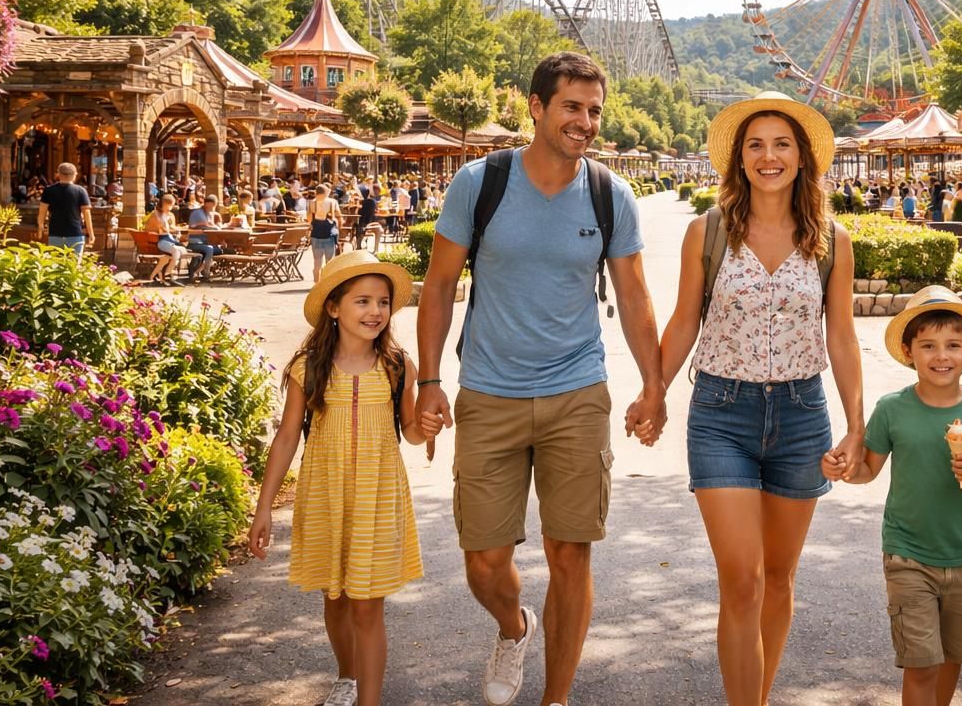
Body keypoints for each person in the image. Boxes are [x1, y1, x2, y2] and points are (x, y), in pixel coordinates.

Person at [414, 51, 665, 706]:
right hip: (489, 392)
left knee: (570, 553)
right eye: (572, 107)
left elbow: (635, 298)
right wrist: (430, 381)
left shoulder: (611, 194)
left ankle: (555, 698)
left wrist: (655, 385)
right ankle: (512, 625)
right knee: (484, 562)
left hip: (577, 391)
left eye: (594, 111)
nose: (585, 122)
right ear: (536, 106)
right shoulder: (480, 182)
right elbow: (440, 286)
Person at [656, 91, 864, 706]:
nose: (768, 156)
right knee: (741, 580)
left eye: (781, 144)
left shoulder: (831, 239)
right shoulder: (709, 232)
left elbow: (844, 337)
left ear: (802, 159)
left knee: (778, 579)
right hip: (721, 414)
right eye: (755, 145)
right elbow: (683, 322)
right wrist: (654, 393)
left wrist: (856, 425)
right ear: (739, 159)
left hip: (803, 415)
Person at [249, 251, 441, 706]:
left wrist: (425, 428)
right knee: (335, 597)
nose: (375, 311)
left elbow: (410, 432)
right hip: (324, 494)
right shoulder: (307, 368)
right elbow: (286, 437)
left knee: (367, 603)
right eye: (362, 301)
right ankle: (347, 676)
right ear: (333, 308)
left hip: (378, 495)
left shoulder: (398, 367)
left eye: (383, 302)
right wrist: (263, 508)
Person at [825, 285, 962, 706]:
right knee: (922, 663)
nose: (941, 356)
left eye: (952, 345)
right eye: (928, 345)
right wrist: (842, 469)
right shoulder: (892, 409)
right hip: (907, 555)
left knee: (950, 660)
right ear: (909, 352)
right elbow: (868, 471)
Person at [37, 162, 95, 259]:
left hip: (55, 233)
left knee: (55, 266)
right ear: (74, 175)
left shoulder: (49, 190)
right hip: (75, 233)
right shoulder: (81, 191)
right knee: (73, 266)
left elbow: (42, 212)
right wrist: (91, 233)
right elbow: (86, 214)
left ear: (58, 174)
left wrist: (40, 229)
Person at [143, 193, 193, 286]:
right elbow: (158, 228)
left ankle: (164, 274)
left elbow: (171, 227)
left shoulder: (170, 215)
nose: (171, 207)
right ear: (165, 204)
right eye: (170, 205)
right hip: (161, 240)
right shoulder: (156, 214)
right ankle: (169, 274)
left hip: (169, 238)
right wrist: (163, 228)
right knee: (176, 252)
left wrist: (181, 229)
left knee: (183, 250)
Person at [309, 184, 343, 282]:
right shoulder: (333, 202)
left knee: (317, 262)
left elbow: (309, 220)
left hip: (316, 235)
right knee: (330, 262)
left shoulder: (311, 203)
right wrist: (339, 230)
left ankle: (316, 284)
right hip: (329, 235)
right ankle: (328, 283)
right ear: (326, 192)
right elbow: (339, 217)